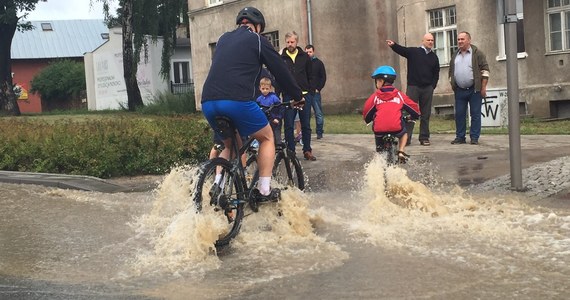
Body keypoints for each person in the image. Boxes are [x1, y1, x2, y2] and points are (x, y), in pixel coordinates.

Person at [201, 7, 304, 202]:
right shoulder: (258, 40)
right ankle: (264, 190)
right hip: (236, 101)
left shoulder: (223, 39)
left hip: (208, 102)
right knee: (266, 138)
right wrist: (298, 95)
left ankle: (219, 184)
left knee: (230, 144)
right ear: (257, 26)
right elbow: (280, 70)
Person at [386, 33, 439, 146]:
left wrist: (432, 86)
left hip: (427, 89)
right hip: (413, 87)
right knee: (409, 113)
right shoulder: (414, 52)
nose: (430, 42)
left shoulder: (434, 57)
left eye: (432, 40)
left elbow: (436, 73)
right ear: (423, 41)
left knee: (426, 114)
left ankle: (424, 137)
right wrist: (393, 45)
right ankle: (406, 138)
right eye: (428, 40)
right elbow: (402, 50)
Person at [362, 65, 420, 161]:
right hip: (396, 128)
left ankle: (379, 154)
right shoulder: (399, 95)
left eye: (376, 81)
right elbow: (413, 108)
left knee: (378, 139)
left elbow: (367, 111)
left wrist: (368, 119)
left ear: (381, 81)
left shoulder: (375, 96)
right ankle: (401, 152)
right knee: (404, 132)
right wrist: (415, 116)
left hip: (379, 130)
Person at [448, 31, 490, 145]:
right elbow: (451, 71)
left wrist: (483, 87)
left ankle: (474, 137)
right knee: (459, 114)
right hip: (459, 91)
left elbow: (485, 70)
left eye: (462, 39)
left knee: (475, 114)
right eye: (458, 39)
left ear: (469, 40)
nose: (460, 41)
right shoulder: (455, 54)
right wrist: (453, 84)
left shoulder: (477, 54)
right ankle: (460, 137)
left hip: (474, 90)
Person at [281, 31, 317, 161]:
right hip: (288, 96)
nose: (290, 44)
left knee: (305, 124)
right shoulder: (282, 58)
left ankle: (307, 150)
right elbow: (279, 77)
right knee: (289, 125)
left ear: (297, 42)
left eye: (292, 42)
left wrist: (311, 90)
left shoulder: (304, 57)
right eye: (288, 42)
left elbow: (310, 75)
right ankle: (291, 151)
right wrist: (279, 93)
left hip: (304, 95)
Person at [305, 44, 327, 139]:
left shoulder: (319, 63)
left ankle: (319, 132)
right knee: (306, 114)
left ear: (313, 52)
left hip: (315, 93)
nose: (308, 54)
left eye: (310, 52)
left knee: (318, 113)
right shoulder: (303, 63)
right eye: (307, 52)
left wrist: (319, 88)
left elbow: (323, 77)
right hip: (306, 92)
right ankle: (306, 132)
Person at [256, 77, 285, 145]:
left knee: (276, 136)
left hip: (274, 120)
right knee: (264, 137)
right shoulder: (259, 99)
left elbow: (281, 108)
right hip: (264, 121)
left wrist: (278, 118)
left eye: (267, 89)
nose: (265, 90)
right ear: (260, 88)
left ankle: (279, 148)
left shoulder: (274, 98)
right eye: (263, 89)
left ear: (270, 88)